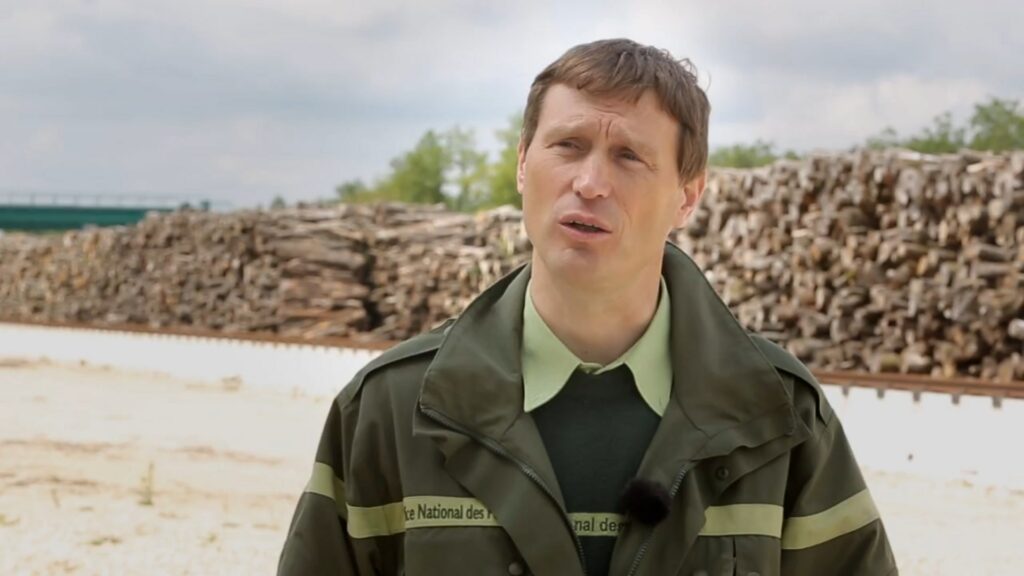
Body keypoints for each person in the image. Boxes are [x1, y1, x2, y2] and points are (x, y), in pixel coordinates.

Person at [278, 38, 898, 576]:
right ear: (523, 165)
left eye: (629, 156)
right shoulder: (392, 411)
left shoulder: (779, 419)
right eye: (568, 146)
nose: (590, 183)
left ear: (688, 195)